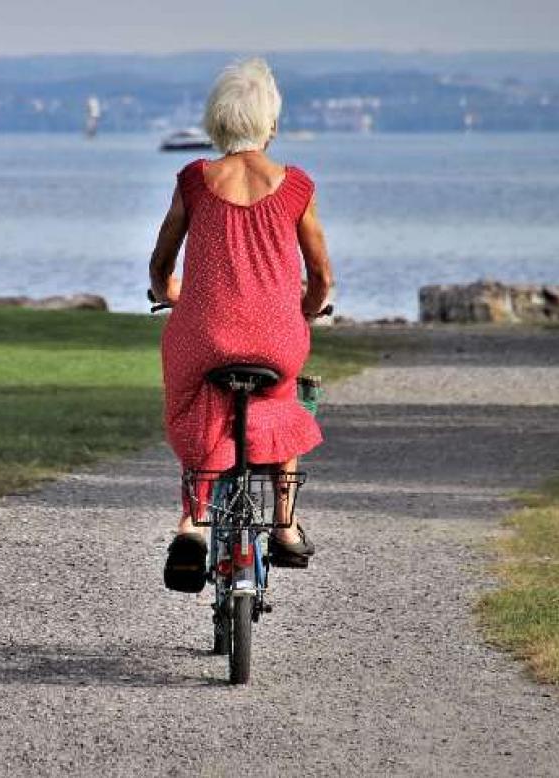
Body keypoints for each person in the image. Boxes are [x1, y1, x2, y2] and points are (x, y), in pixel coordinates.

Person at [148, 57, 333, 592]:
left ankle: (193, 524)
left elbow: (161, 266)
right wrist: (309, 307)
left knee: (198, 399)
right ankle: (285, 523)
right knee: (283, 400)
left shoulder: (194, 180)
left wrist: (172, 295)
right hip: (275, 337)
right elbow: (320, 274)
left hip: (204, 333)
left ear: (216, 121)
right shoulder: (296, 186)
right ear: (269, 123)